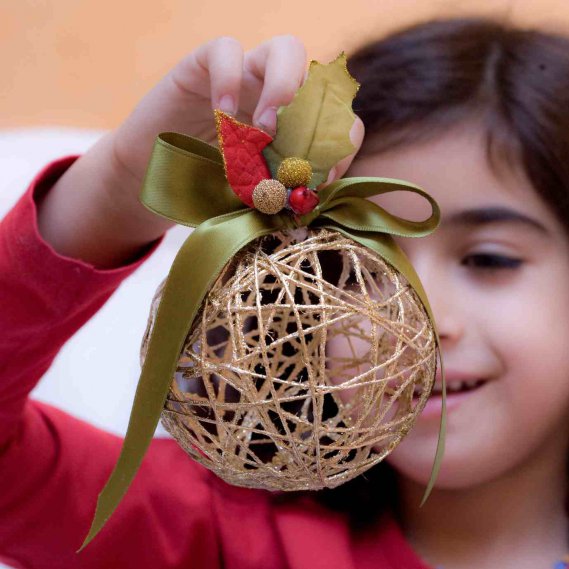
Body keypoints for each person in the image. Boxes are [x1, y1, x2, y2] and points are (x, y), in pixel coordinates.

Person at [1, 15, 568, 569]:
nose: (424, 320)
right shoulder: (214, 529)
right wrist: (118, 188)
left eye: (489, 259)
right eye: (352, 272)